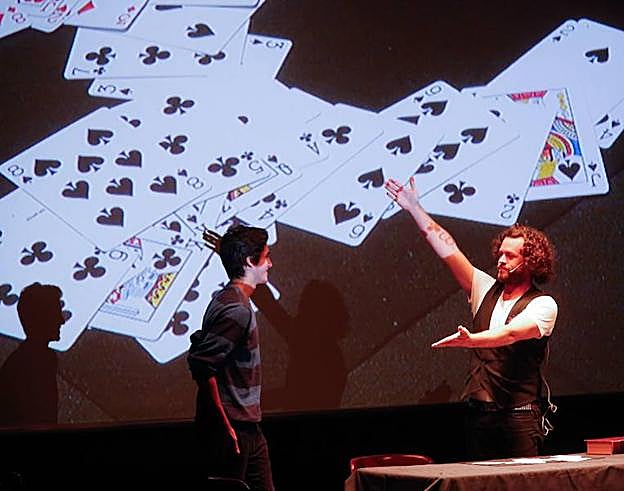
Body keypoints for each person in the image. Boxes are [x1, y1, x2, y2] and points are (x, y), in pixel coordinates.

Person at [385, 176, 558, 460]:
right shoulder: (484, 288)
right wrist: (415, 208)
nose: (501, 260)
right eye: (500, 254)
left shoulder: (543, 305)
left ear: (530, 262)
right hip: (480, 416)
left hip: (520, 418)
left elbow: (512, 333)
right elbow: (448, 249)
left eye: (510, 256)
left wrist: (472, 340)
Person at [187, 225, 274, 490]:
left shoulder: (231, 299)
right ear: (249, 262)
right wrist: (225, 426)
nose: (270, 264)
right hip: (234, 427)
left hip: (248, 425)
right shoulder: (237, 310)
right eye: (266, 257)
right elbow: (202, 365)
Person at [0, 282, 65, 427]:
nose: (62, 320)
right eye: (56, 313)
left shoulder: (29, 360)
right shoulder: (33, 363)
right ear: (42, 318)